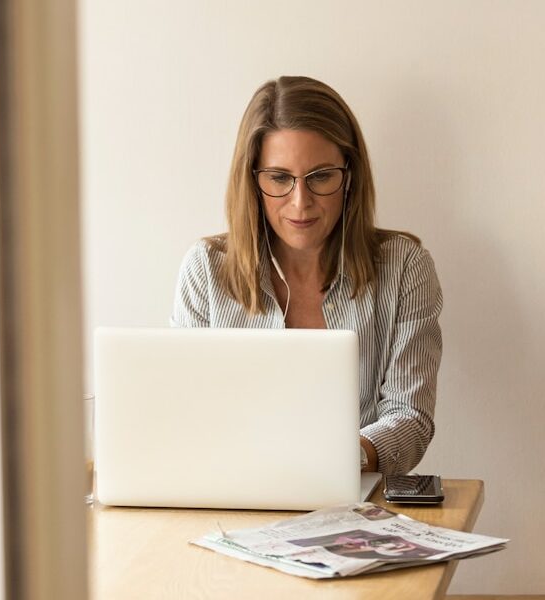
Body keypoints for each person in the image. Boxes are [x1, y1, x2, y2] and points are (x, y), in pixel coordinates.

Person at [170, 75, 442, 475]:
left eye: (320, 177)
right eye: (279, 178)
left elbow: (411, 418)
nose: (301, 202)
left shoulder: (404, 267)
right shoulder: (206, 269)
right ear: (253, 180)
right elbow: (185, 414)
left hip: (355, 505)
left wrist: (337, 460)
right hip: (231, 497)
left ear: (349, 175)